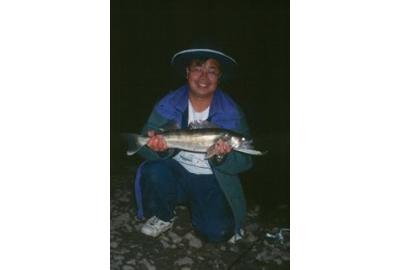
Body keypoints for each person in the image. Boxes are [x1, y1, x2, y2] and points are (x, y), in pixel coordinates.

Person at [132, 45, 253, 243]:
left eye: (212, 71)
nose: (204, 77)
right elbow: (145, 151)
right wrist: (158, 150)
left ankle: (202, 209)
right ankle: (164, 215)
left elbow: (246, 161)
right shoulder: (168, 104)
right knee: (153, 170)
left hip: (212, 180)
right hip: (176, 173)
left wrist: (223, 157)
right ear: (187, 72)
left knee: (218, 233)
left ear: (219, 76)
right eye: (198, 69)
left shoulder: (232, 113)